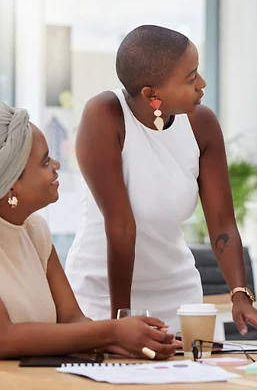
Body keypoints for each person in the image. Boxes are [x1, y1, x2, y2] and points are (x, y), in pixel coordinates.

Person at [65, 25, 257, 345]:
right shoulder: (105, 115)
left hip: (180, 301)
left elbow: (222, 223)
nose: (202, 84)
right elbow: (121, 226)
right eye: (191, 78)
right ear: (152, 94)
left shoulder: (201, 124)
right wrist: (120, 321)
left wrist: (240, 295)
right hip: (102, 299)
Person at [0, 102, 177, 360]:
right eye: (45, 161)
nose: (57, 165)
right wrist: (113, 332)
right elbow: (5, 339)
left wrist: (126, 341)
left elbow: (72, 319)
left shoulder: (35, 231)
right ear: (12, 183)